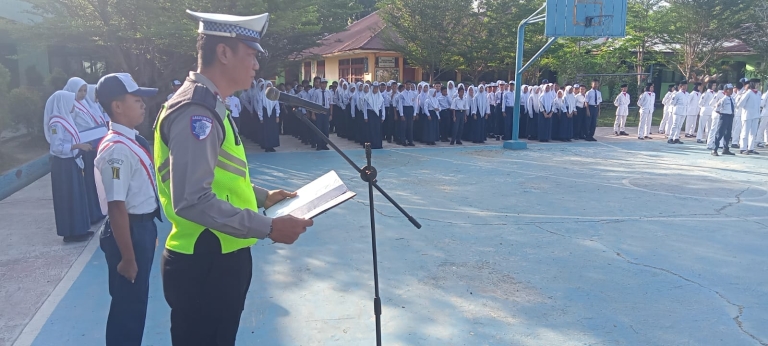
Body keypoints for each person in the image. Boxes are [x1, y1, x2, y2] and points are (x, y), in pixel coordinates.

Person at [155, 10, 313, 345]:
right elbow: (192, 199)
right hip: (206, 259)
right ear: (224, 53)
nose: (257, 65)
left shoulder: (212, 105)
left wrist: (261, 196)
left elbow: (219, 176)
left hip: (220, 253)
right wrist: (268, 226)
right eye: (251, 54)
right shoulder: (196, 112)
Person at [92, 73, 160, 346]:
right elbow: (117, 207)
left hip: (140, 227)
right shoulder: (117, 151)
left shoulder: (130, 141)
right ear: (117, 106)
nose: (143, 104)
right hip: (129, 231)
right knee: (128, 311)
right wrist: (129, 257)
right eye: (136, 99)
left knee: (135, 305)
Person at [44, 91, 93, 242]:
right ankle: (70, 232)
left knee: (76, 196)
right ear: (64, 103)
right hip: (63, 166)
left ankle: (79, 229)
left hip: (71, 162)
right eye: (72, 102)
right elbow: (57, 147)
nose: (74, 105)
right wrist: (79, 146)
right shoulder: (56, 123)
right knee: (68, 198)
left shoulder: (66, 119)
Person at [64, 77, 107, 224]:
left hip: (92, 145)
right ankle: (92, 213)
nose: (82, 94)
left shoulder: (86, 104)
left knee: (95, 181)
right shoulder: (70, 106)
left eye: (84, 90)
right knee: (89, 181)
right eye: (79, 90)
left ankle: (98, 210)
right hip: (82, 147)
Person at [737, 78, 761, 154]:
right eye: (757, 84)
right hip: (747, 115)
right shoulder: (748, 93)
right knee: (745, 132)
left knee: (753, 133)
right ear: (753, 84)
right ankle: (743, 148)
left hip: (756, 115)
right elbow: (740, 104)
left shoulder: (759, 93)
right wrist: (747, 108)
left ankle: (751, 148)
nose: (758, 85)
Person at [712, 84, 737, 156]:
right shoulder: (723, 99)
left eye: (732, 89)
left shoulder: (732, 99)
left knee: (728, 133)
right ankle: (714, 149)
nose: (732, 91)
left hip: (730, 116)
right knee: (720, 133)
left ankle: (725, 148)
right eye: (730, 89)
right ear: (725, 91)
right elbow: (716, 109)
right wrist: (722, 114)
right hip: (724, 116)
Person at [668, 80, 689, 144]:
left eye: (686, 85)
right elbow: (672, 103)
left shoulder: (687, 94)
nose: (685, 87)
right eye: (684, 86)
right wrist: (677, 106)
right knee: (675, 125)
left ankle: (676, 138)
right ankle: (670, 138)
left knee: (680, 125)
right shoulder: (677, 94)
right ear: (680, 86)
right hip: (677, 111)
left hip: (684, 111)